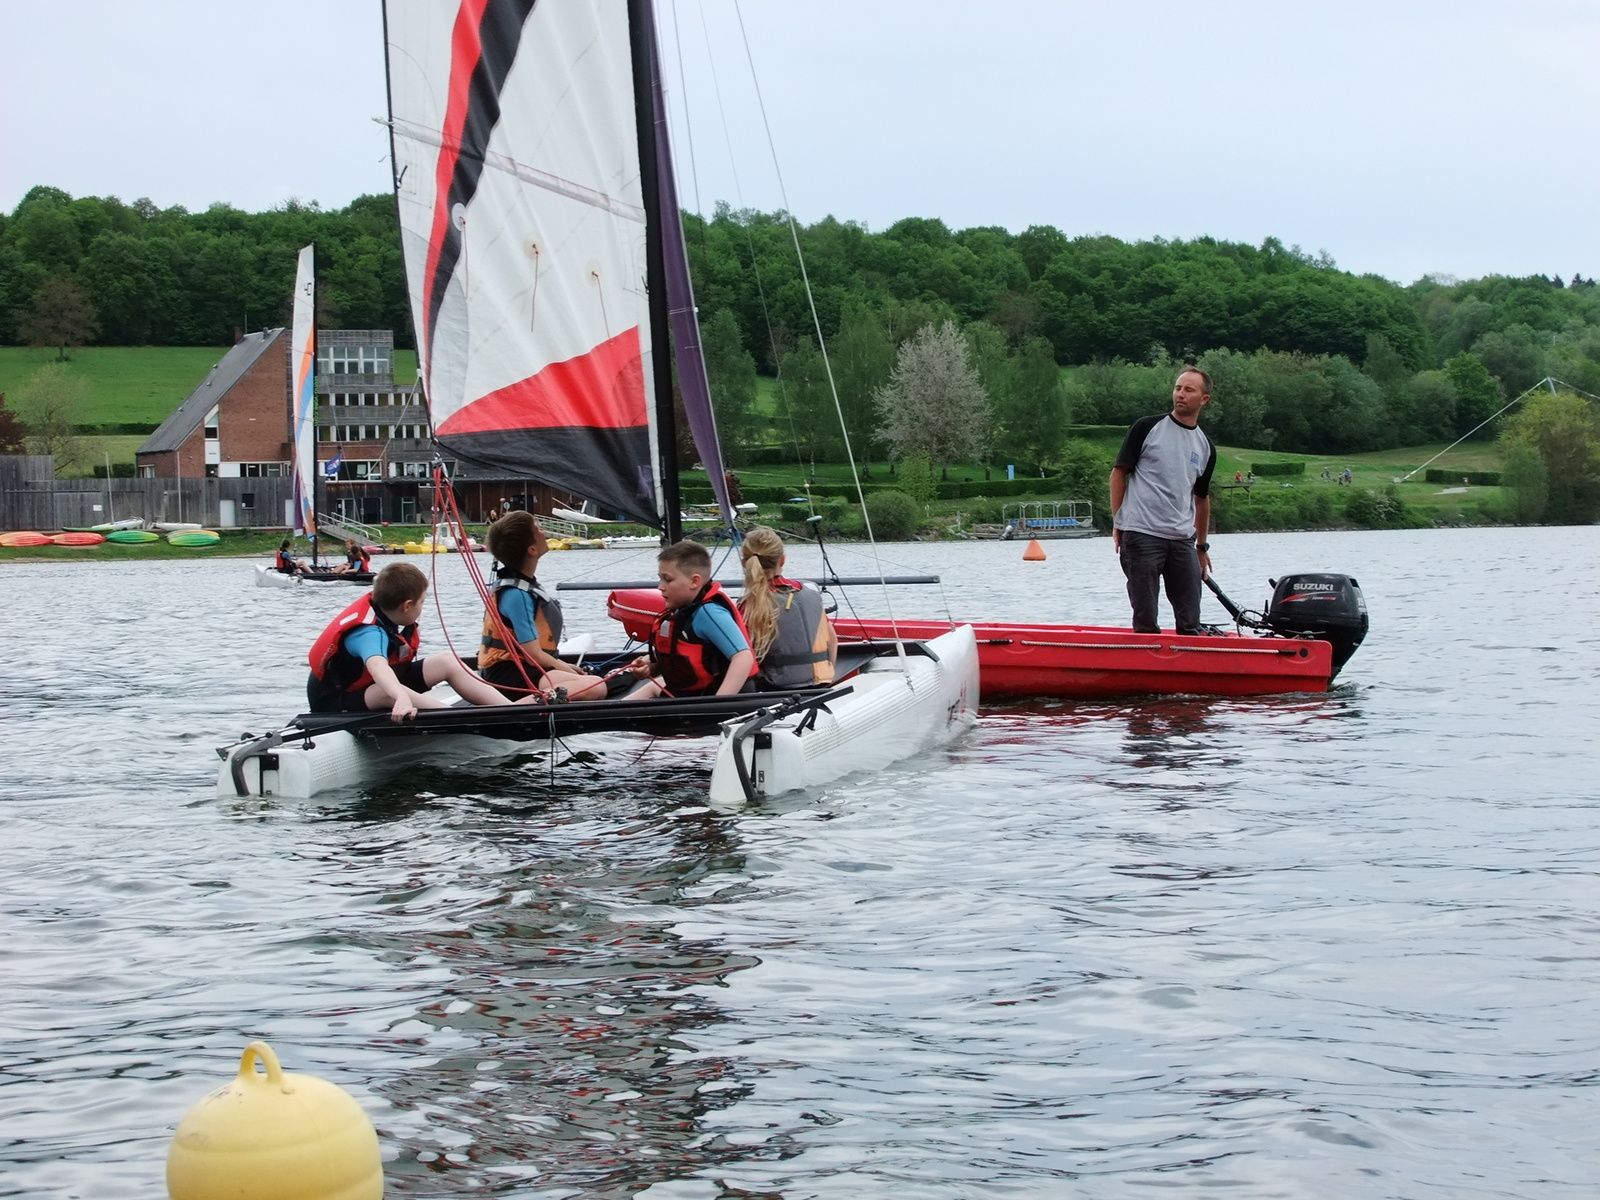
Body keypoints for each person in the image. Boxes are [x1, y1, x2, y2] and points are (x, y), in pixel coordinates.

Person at [306, 562, 528, 721]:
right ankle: (458, 718)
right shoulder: (368, 633)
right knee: (385, 690)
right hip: (337, 700)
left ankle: (509, 709)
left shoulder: (385, 611)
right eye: (422, 602)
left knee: (446, 661)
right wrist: (401, 696)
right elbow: (378, 668)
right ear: (407, 605)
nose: (422, 607)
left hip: (371, 684)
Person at [1109, 366, 1217, 635]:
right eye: (1178, 388)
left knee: (1190, 619)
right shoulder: (1147, 427)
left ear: (1204, 399)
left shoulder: (1206, 447)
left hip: (1181, 539)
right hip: (1142, 533)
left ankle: (1192, 665)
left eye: (1189, 390)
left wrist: (1201, 547)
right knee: (1146, 618)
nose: (1180, 394)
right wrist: (1118, 520)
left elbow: (1202, 499)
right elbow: (1118, 474)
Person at [478, 511, 608, 700]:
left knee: (594, 681)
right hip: (508, 675)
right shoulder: (517, 595)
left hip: (523, 667)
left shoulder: (521, 587)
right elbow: (534, 654)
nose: (543, 531)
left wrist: (562, 665)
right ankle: (522, 707)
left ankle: (545, 696)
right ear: (531, 549)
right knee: (596, 688)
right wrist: (563, 667)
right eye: (538, 528)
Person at [625, 540, 756, 699]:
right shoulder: (678, 612)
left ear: (694, 581)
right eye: (660, 579)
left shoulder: (709, 613)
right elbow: (678, 654)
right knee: (627, 703)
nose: (660, 586)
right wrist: (649, 667)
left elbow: (743, 657)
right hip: (685, 694)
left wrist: (717, 705)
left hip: (710, 700)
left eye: (668, 579)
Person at [737, 526, 837, 689]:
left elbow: (742, 657)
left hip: (776, 691)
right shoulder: (812, 595)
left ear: (744, 563)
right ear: (782, 560)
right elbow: (832, 641)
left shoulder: (748, 606)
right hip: (821, 685)